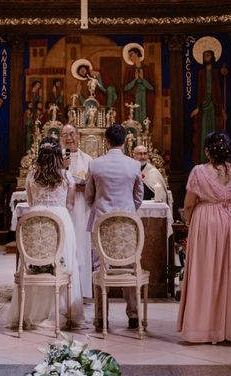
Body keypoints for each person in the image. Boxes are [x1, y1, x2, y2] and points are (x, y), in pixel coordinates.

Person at [176, 132, 231, 344]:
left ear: (206, 150)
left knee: (207, 273)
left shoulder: (199, 171)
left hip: (208, 222)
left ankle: (204, 328)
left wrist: (189, 221)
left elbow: (188, 203)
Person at [5, 136, 85, 329]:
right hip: (60, 222)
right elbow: (70, 204)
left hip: (36, 220)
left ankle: (30, 312)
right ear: (58, 155)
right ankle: (71, 314)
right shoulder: (66, 177)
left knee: (35, 263)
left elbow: (31, 203)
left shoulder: (32, 176)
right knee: (66, 264)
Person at [85, 124, 143, 330]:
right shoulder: (134, 165)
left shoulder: (95, 164)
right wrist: (126, 211)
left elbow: (89, 195)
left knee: (99, 268)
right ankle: (134, 315)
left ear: (106, 141)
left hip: (101, 223)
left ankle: (101, 317)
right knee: (129, 266)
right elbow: (139, 197)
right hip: (128, 225)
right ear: (125, 141)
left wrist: (103, 209)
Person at [61, 124, 93, 298]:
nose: (69, 138)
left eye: (72, 134)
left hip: (81, 208)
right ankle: (64, 290)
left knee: (81, 246)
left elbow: (94, 185)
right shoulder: (56, 159)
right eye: (65, 134)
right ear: (60, 138)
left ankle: (82, 290)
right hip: (62, 207)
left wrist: (83, 186)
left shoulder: (88, 160)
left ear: (78, 136)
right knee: (64, 246)